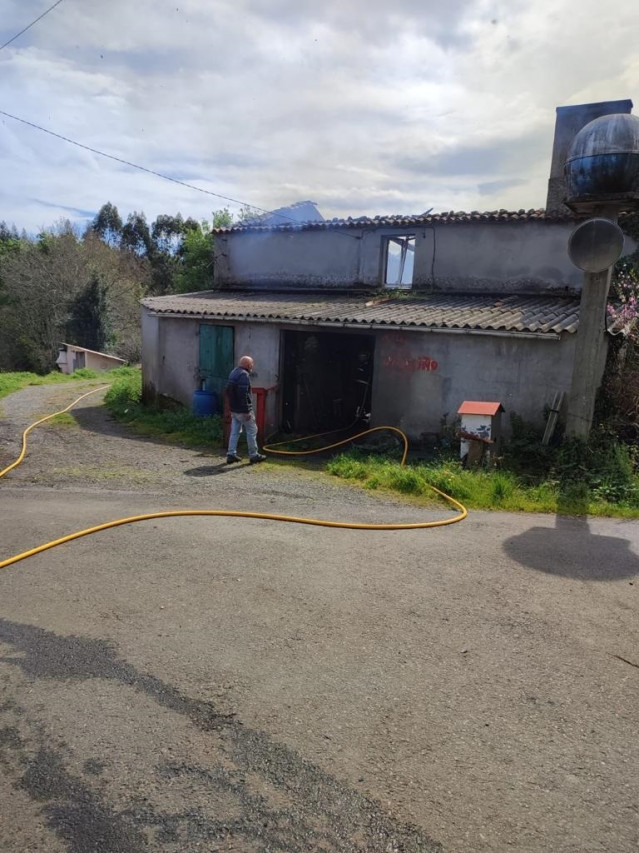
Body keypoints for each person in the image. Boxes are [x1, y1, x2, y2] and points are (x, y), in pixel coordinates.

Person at [225, 355, 266, 464]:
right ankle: (254, 455)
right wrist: (247, 411)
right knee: (252, 430)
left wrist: (231, 407)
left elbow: (228, 391)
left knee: (235, 432)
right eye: (252, 364)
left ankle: (231, 454)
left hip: (234, 409)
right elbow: (243, 394)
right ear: (248, 365)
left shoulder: (233, 372)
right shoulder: (244, 375)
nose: (252, 366)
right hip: (242, 410)